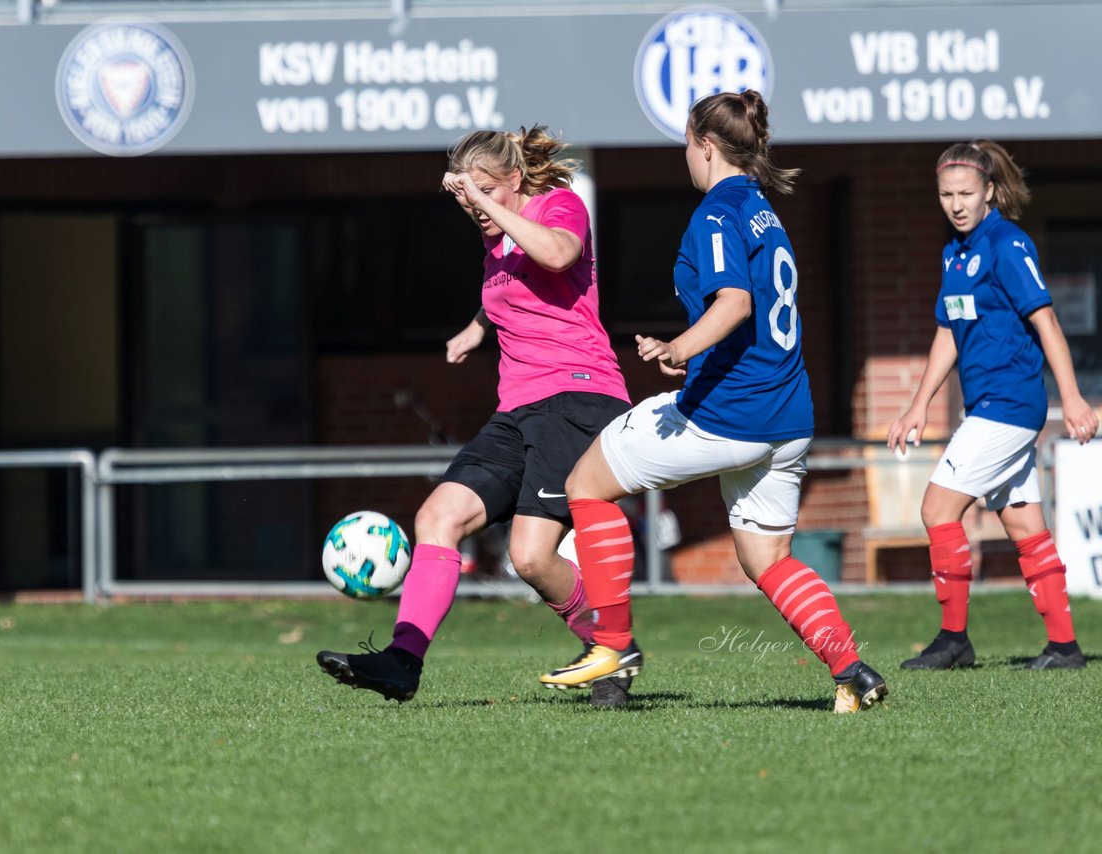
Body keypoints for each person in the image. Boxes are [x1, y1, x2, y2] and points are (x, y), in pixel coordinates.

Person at [538, 90, 888, 713]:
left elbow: (734, 303)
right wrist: (686, 349)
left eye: (685, 146)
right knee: (766, 558)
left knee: (586, 486)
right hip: (788, 416)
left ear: (705, 146)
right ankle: (851, 671)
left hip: (733, 413)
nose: (685, 159)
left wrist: (677, 349)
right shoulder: (762, 210)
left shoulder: (716, 214)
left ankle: (612, 649)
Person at [317, 125, 633, 705]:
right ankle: (401, 662)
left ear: (514, 180)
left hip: (577, 398)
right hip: (517, 408)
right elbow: (514, 288)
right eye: (467, 198)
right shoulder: (498, 236)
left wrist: (485, 202)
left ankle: (611, 647)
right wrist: (476, 327)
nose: (477, 208)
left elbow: (557, 254)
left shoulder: (557, 206)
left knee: (532, 557)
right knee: (439, 516)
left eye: (487, 191)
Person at [888, 140, 1098, 671]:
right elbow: (948, 333)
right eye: (945, 194)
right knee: (1025, 526)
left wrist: (1071, 397)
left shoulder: (1007, 243)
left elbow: (1046, 321)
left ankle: (953, 639)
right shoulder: (953, 253)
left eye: (965, 193)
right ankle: (1065, 647)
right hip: (986, 405)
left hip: (1007, 405)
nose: (956, 204)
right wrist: (918, 405)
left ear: (989, 192)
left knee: (937, 509)